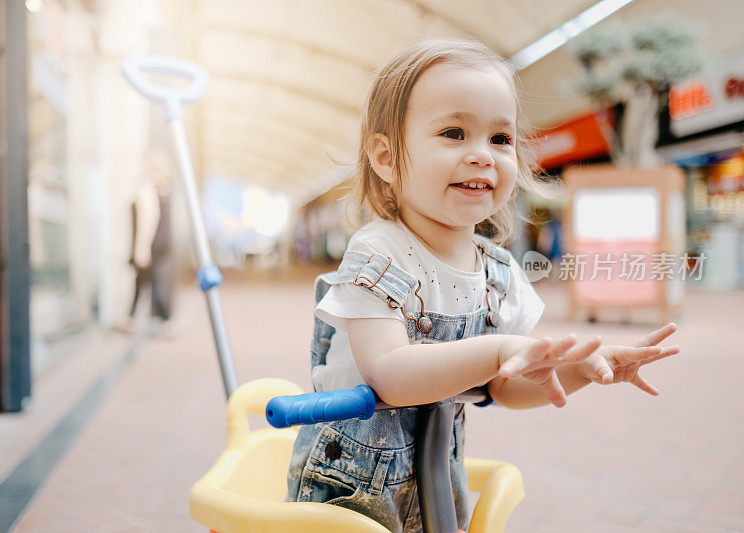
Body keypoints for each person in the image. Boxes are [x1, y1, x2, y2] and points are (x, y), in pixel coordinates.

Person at [285, 39, 680, 532]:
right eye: (454, 133)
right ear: (386, 157)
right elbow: (390, 373)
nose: (482, 156)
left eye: (500, 139)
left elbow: (506, 386)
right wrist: (497, 349)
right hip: (349, 490)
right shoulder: (378, 252)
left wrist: (577, 369)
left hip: (433, 478)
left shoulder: (497, 273)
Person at [127, 148, 176, 338]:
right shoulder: (163, 188)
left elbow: (148, 218)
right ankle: (130, 318)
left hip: (150, 244)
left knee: (153, 282)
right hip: (160, 243)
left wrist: (141, 247)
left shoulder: (146, 188)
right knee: (142, 282)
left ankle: (166, 320)